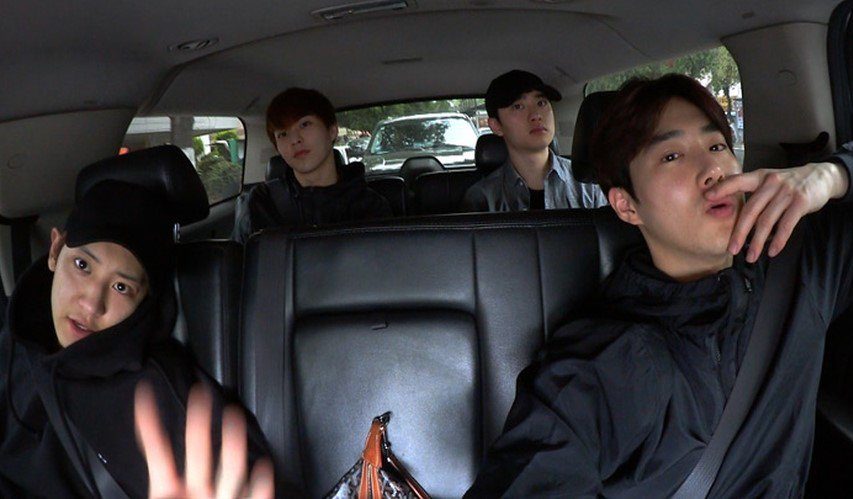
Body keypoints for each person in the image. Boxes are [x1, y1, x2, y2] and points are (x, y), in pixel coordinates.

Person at [464, 74, 853, 497]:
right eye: (671, 156)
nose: (713, 170)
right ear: (626, 206)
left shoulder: (797, 262)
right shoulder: (607, 361)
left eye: (717, 146)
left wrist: (832, 175)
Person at [0, 180, 270, 498]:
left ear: (144, 301)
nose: (92, 304)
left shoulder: (161, 395)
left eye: (121, 287)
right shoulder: (13, 342)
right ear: (55, 251)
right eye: (82, 265)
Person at [232, 87, 392, 243]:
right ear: (277, 148)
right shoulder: (261, 204)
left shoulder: (370, 206)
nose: (295, 140)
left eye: (304, 124)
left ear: (332, 131)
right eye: (283, 134)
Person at [461, 70, 608, 212]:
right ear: (496, 126)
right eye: (518, 106)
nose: (536, 115)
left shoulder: (590, 185)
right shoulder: (482, 198)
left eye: (541, 103)